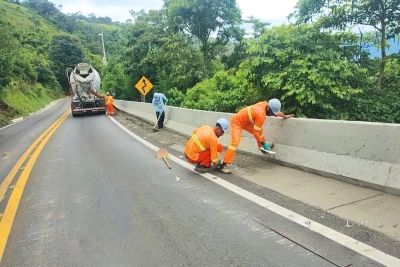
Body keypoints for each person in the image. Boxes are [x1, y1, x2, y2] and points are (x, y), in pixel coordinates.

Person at [220, 98, 294, 174]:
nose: (273, 115)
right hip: (237, 122)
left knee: (260, 132)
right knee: (234, 143)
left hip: (247, 122)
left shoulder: (266, 105)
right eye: (272, 113)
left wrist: (284, 116)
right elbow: (255, 133)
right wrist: (263, 143)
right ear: (268, 108)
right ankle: (224, 165)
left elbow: (275, 112)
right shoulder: (260, 114)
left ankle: (261, 148)